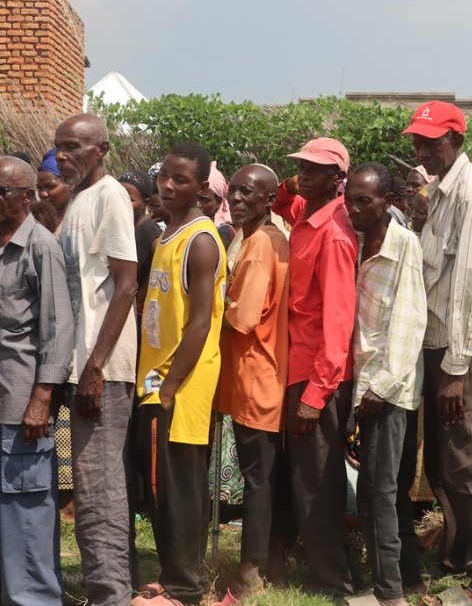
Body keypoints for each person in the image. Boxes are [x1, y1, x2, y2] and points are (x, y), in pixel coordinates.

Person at [402, 101, 472, 604]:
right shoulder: (440, 192)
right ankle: (463, 557)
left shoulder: (471, 193)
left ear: (456, 141)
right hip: (435, 343)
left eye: (432, 142)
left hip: (454, 350)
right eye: (418, 142)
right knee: (446, 466)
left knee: (468, 465)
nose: (423, 150)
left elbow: (469, 285)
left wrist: (455, 369)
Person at [0, 157, 75, 603]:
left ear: (26, 197)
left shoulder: (41, 247)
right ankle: (2, 587)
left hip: (21, 403)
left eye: (0, 192)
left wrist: (42, 398)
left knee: (26, 508)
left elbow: (57, 327)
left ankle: (33, 597)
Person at [134, 143, 226, 606]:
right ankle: (171, 577)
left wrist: (169, 388)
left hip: (181, 386)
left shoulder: (201, 241)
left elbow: (201, 322)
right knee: (160, 489)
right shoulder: (164, 235)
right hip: (155, 381)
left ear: (201, 187)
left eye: (181, 180)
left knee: (181, 489)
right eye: (165, 176)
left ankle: (185, 589)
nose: (168, 186)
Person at [54, 114, 140, 606]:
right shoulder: (79, 200)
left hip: (101, 368)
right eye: (59, 148)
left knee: (99, 487)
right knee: (88, 485)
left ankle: (110, 594)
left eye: (74, 147)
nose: (64, 156)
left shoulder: (110, 196)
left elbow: (125, 283)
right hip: (80, 362)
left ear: (101, 148)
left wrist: (94, 365)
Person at [270, 137, 357, 597]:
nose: (304, 172)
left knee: (316, 483)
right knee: (304, 476)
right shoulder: (307, 212)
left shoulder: (335, 232)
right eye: (302, 165)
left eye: (315, 168)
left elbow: (338, 322)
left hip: (316, 375)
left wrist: (315, 395)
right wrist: (295, 180)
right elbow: (282, 199)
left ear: (337, 179)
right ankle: (319, 567)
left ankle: (333, 582)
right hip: (296, 366)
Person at [347, 163, 428, 606]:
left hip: (388, 387)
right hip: (361, 379)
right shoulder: (355, 242)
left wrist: (383, 384)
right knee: (385, 490)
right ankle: (407, 579)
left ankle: (388, 593)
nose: (355, 208)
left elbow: (410, 319)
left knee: (378, 490)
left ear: (388, 202)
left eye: (365, 201)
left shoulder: (403, 246)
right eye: (350, 198)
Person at [214, 165, 290, 600]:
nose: (237, 199)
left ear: (269, 200)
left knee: (258, 478)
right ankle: (269, 563)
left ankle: (250, 571)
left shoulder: (261, 244)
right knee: (264, 475)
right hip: (260, 374)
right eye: (233, 191)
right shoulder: (266, 239)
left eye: (248, 192)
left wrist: (209, 305)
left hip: (255, 377)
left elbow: (242, 318)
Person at [116, 171, 164, 319]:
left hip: (136, 315)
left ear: (146, 202)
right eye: (117, 197)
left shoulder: (150, 231)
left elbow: (163, 264)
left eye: (129, 200)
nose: (121, 204)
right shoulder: (122, 229)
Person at [200, 161, 236, 247]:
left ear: (219, 202)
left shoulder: (224, 234)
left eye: (204, 200)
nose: (197, 204)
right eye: (193, 198)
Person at [37, 149, 74, 224]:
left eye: (51, 187)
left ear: (70, 184)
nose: (43, 194)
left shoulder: (78, 223)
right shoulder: (36, 222)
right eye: (39, 188)